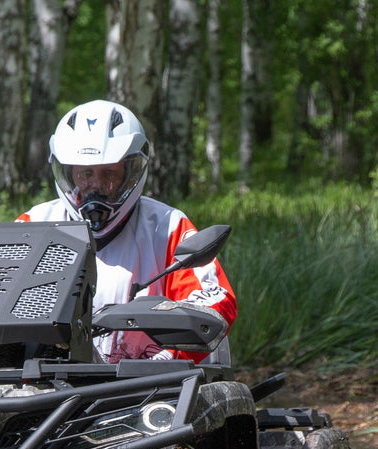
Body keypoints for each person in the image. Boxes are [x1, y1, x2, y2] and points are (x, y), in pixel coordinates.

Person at [17, 99, 236, 363]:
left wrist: (169, 356)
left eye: (109, 173)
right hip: (47, 384)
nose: (96, 186)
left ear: (131, 173)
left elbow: (216, 297)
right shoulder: (34, 224)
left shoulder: (166, 226)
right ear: (68, 172)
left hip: (149, 386)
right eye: (85, 174)